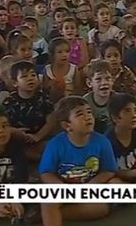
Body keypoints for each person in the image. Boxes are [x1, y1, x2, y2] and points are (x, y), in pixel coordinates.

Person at [39, 96, 119, 226]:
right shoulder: (55, 145)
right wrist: (60, 186)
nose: (88, 117)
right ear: (67, 125)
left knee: (101, 208)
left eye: (89, 112)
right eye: (80, 114)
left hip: (88, 190)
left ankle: (50, 214)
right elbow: (46, 173)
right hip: (64, 189)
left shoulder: (102, 141)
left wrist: (93, 184)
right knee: (48, 200)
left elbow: (109, 170)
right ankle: (50, 214)